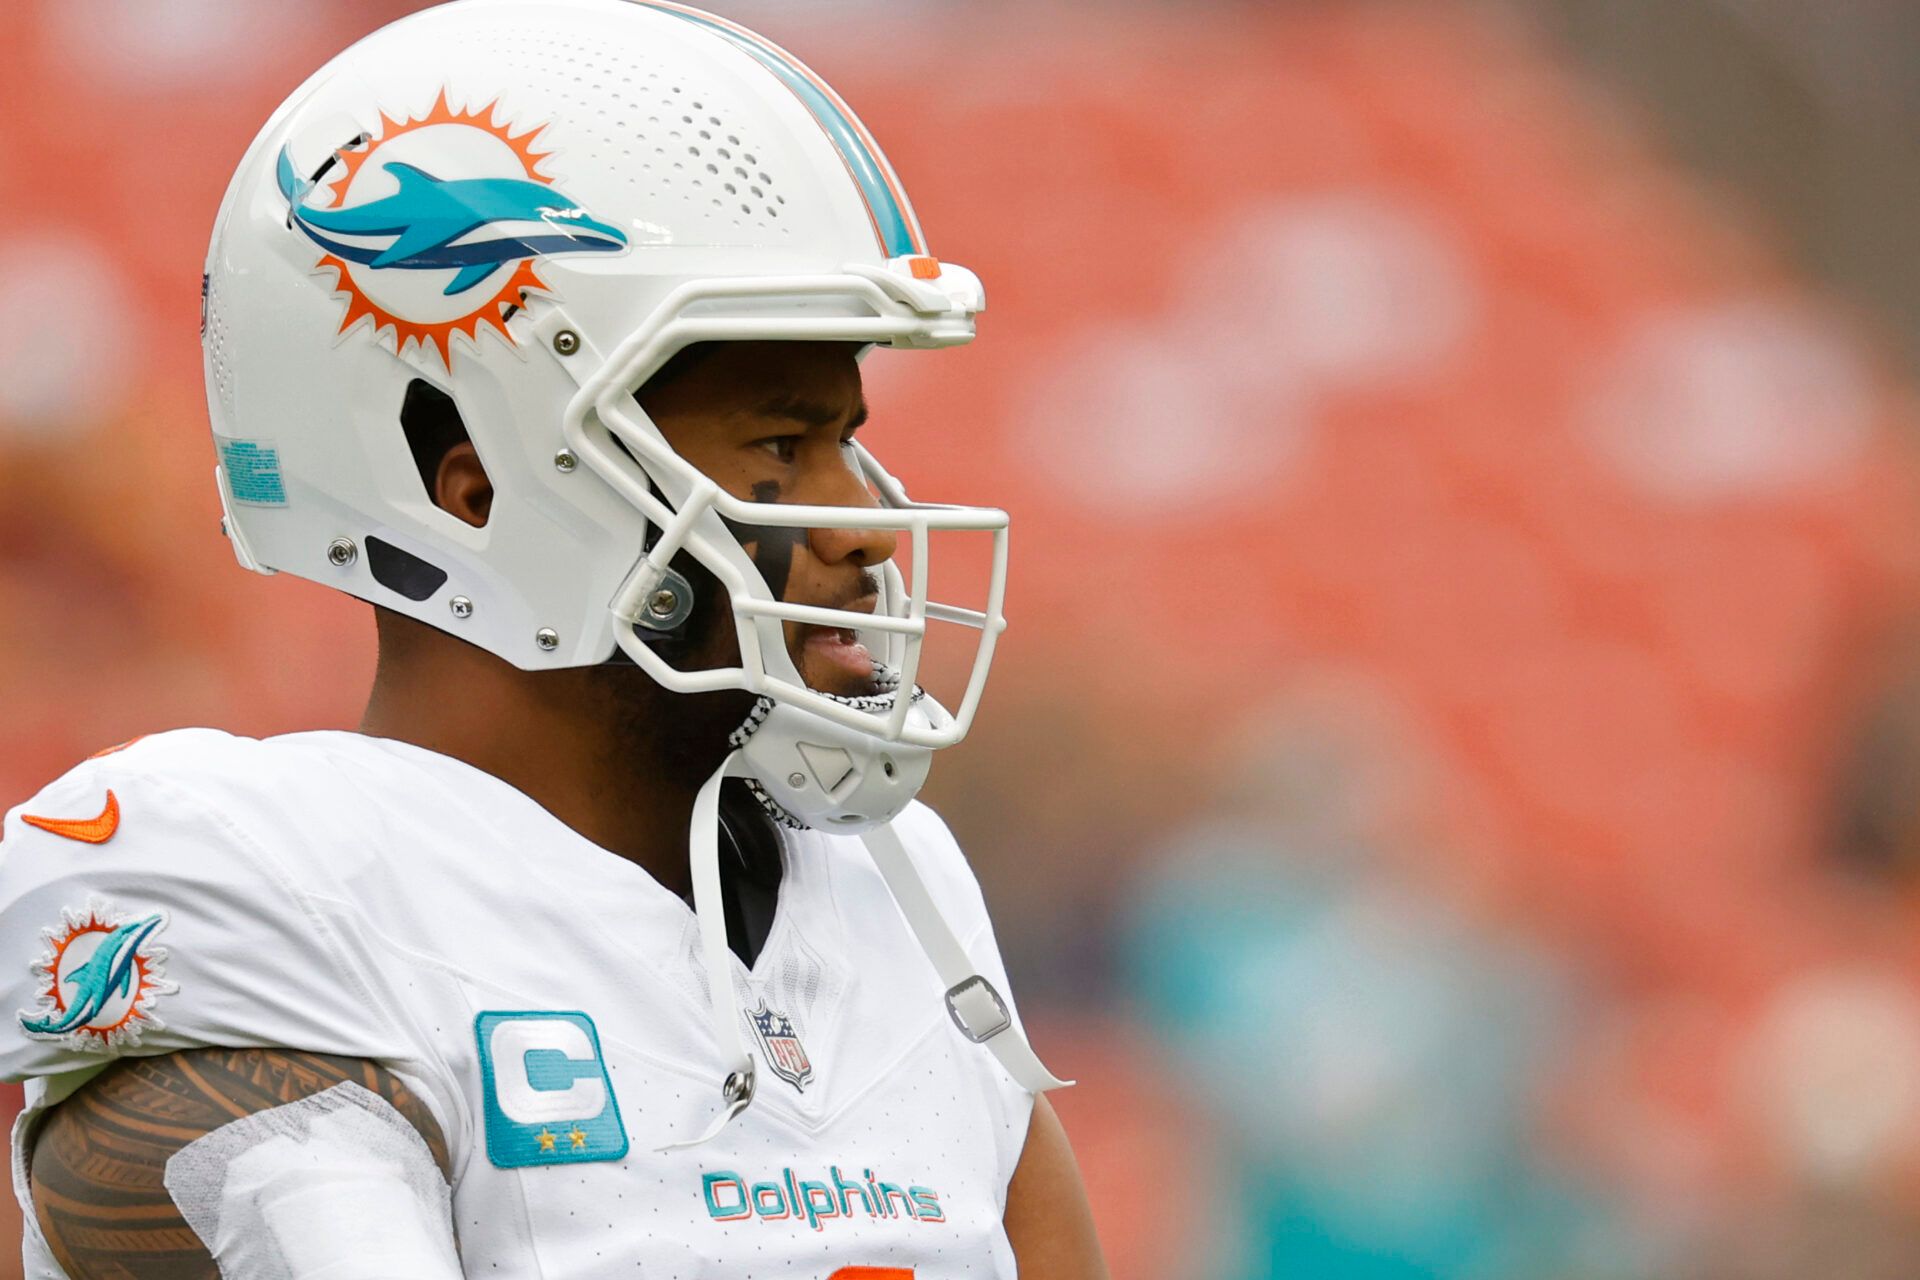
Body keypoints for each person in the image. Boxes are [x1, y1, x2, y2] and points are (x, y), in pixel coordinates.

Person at [0, 1, 1108, 1275]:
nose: (864, 526)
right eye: (778, 446)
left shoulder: (899, 886)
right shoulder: (270, 899)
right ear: (476, 488)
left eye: (848, 439)